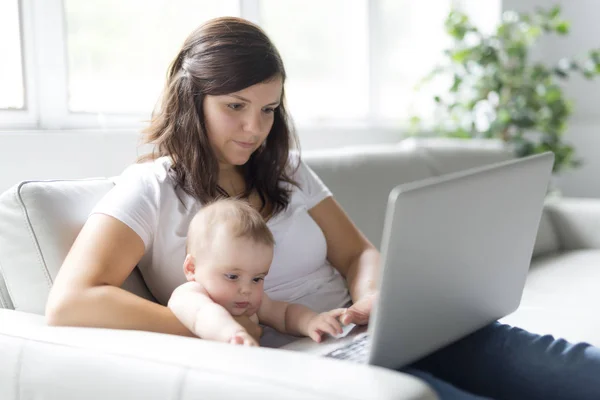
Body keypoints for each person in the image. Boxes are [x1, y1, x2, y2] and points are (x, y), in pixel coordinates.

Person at [45, 16, 600, 399]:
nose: (254, 128)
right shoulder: (151, 187)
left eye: (268, 110)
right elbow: (71, 302)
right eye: (235, 107)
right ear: (192, 99)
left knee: (568, 372)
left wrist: (373, 298)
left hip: (379, 335)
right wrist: (206, 324)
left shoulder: (284, 170)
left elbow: (357, 252)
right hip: (311, 366)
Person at [168, 198, 346, 346]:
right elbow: (204, 316)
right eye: (232, 276)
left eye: (257, 279)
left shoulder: (248, 304)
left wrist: (310, 322)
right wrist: (233, 334)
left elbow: (284, 314)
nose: (246, 289)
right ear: (191, 268)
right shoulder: (189, 294)